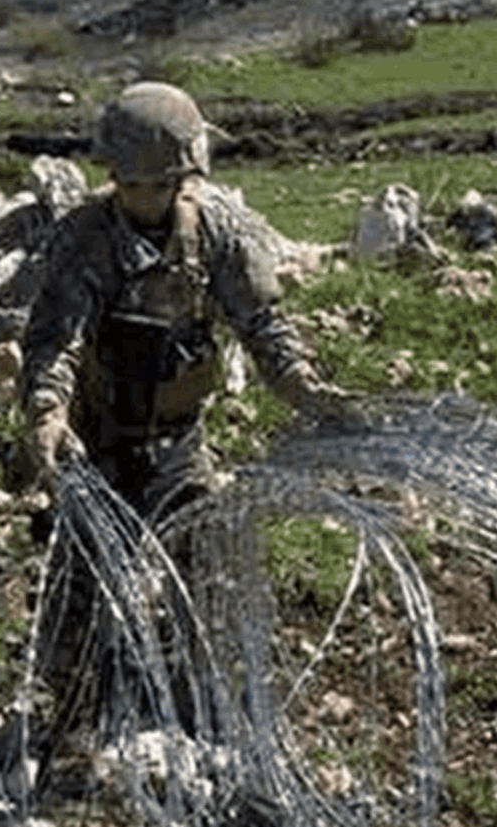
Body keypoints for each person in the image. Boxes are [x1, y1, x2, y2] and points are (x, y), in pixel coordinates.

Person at [17, 81, 347, 738]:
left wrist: (305, 388)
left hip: (178, 444)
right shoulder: (85, 239)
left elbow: (263, 325)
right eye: (130, 186)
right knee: (75, 610)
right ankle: (80, 726)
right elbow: (57, 340)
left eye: (158, 186)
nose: (143, 200)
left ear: (184, 177)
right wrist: (47, 413)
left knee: (210, 585)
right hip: (97, 448)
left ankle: (201, 719)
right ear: (110, 175)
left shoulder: (216, 232)